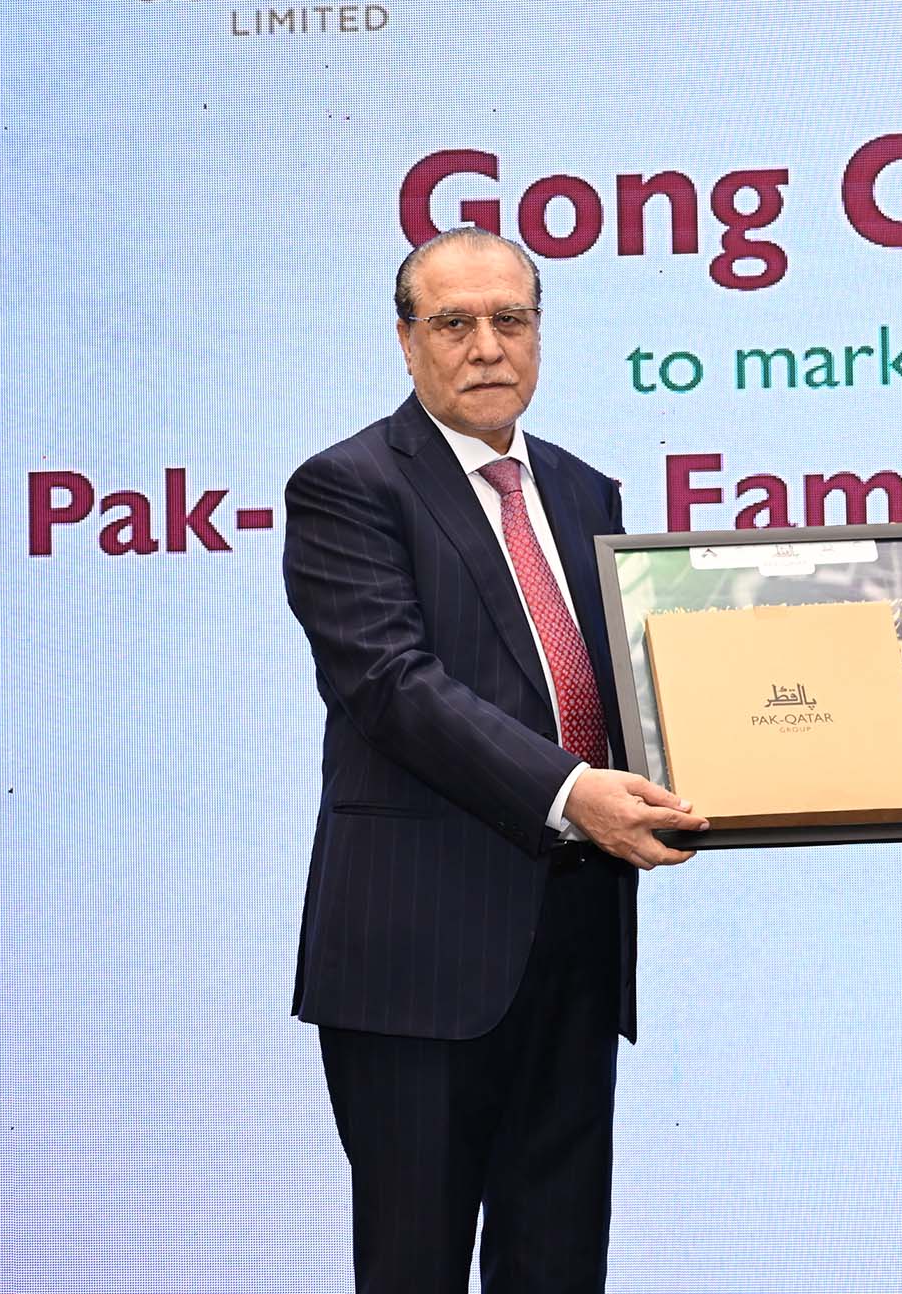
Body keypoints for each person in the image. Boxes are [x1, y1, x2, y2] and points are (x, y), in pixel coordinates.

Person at [283, 227, 707, 1292]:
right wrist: (574, 791)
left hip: (577, 935)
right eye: (454, 323)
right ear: (406, 340)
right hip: (421, 959)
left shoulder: (581, 488)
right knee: (415, 1264)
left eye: (509, 320)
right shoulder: (348, 486)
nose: (486, 347)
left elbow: (623, 683)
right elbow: (393, 684)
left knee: (559, 1261)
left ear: (539, 332)